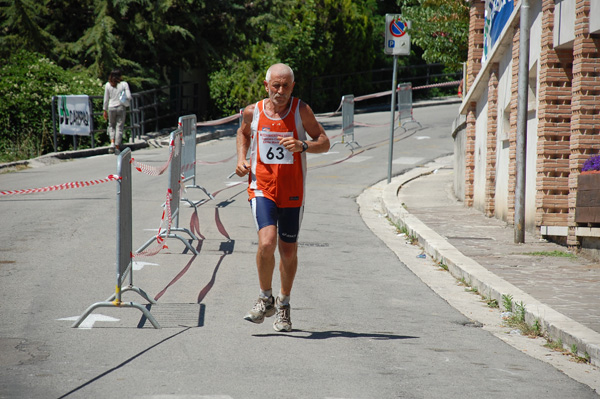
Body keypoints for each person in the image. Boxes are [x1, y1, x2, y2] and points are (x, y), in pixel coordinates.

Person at [235, 63, 330, 332]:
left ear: (293, 86)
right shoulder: (253, 112)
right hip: (261, 187)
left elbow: (324, 141)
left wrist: (303, 146)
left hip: (292, 191)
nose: (280, 91)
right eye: (275, 85)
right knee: (267, 242)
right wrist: (242, 159)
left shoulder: (301, 110)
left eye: (285, 86)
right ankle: (265, 298)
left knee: (288, 251)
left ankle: (284, 304)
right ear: (266, 86)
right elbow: (243, 133)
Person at [102, 69, 131, 154]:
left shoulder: (108, 85)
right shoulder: (124, 84)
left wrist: (104, 109)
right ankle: (117, 146)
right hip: (121, 107)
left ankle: (112, 143)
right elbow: (129, 96)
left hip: (111, 107)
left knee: (111, 125)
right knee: (119, 127)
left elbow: (106, 98)